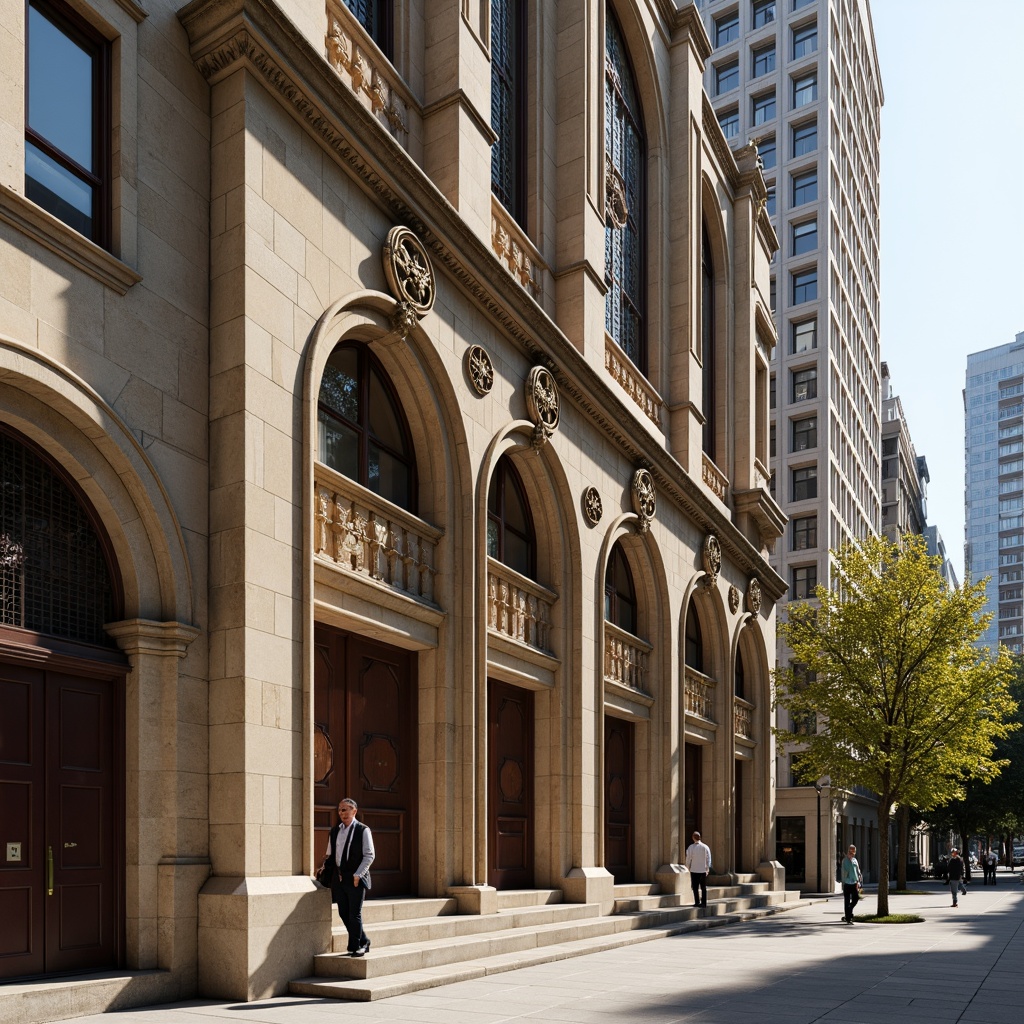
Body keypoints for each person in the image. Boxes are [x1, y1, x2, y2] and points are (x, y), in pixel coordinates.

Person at [320, 797, 375, 956]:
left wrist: (358, 874)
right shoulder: (335, 831)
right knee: (343, 912)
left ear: (354, 811)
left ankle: (356, 946)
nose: (342, 813)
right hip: (339, 878)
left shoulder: (363, 830)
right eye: (340, 810)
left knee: (354, 913)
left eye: (345, 809)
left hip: (356, 878)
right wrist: (324, 870)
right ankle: (364, 940)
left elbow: (369, 855)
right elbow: (330, 855)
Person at [685, 831, 712, 909]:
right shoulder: (705, 847)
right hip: (703, 870)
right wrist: (707, 868)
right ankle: (704, 903)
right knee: (703, 887)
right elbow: (708, 859)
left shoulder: (691, 847)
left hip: (694, 870)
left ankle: (697, 902)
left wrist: (688, 867)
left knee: (695, 887)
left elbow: (688, 858)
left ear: (693, 837)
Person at [840, 844, 862, 924]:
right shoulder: (845, 861)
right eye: (851, 850)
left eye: (854, 851)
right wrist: (848, 859)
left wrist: (859, 878)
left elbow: (857, 870)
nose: (852, 852)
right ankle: (848, 918)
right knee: (847, 900)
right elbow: (845, 872)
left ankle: (849, 911)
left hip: (854, 883)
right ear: (848, 851)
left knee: (856, 898)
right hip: (847, 883)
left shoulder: (855, 860)